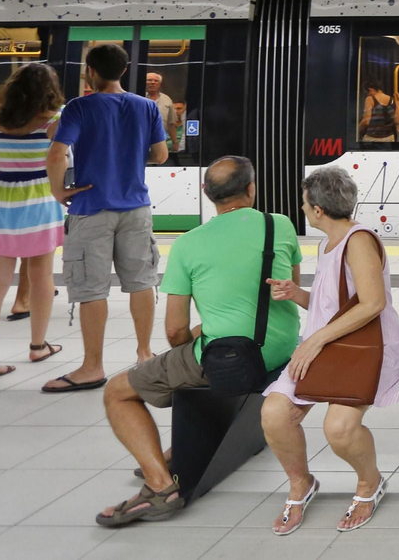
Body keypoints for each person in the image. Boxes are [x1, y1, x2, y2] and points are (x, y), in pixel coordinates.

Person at [95, 157, 303, 526]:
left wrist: (172, 360)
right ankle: (178, 455)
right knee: (198, 344)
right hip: (283, 348)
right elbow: (287, 289)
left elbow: (175, 330)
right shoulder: (280, 225)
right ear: (252, 189)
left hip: (233, 359)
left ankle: (160, 488)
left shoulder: (189, 244)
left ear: (207, 194)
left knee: (117, 391)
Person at [262, 167, 399, 535]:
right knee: (275, 415)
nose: (304, 209)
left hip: (364, 348)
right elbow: (335, 306)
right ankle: (301, 484)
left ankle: (369, 483)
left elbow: (371, 304)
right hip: (328, 344)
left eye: (306, 204)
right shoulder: (328, 243)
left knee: (338, 428)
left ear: (318, 210)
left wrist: (314, 339)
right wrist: (298, 295)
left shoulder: (358, 241)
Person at [44, 43, 169, 392]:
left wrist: (58, 192)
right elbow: (160, 155)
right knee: (141, 281)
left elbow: (56, 155)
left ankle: (92, 366)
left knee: (92, 287)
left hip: (90, 208)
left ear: (91, 71)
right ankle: (145, 354)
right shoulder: (147, 107)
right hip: (136, 208)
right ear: (124, 70)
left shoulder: (79, 108)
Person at [0, 63, 67, 387]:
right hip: (39, 200)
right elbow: (61, 160)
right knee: (41, 277)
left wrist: (8, 157)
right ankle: (38, 346)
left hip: (1, 202)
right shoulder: (54, 120)